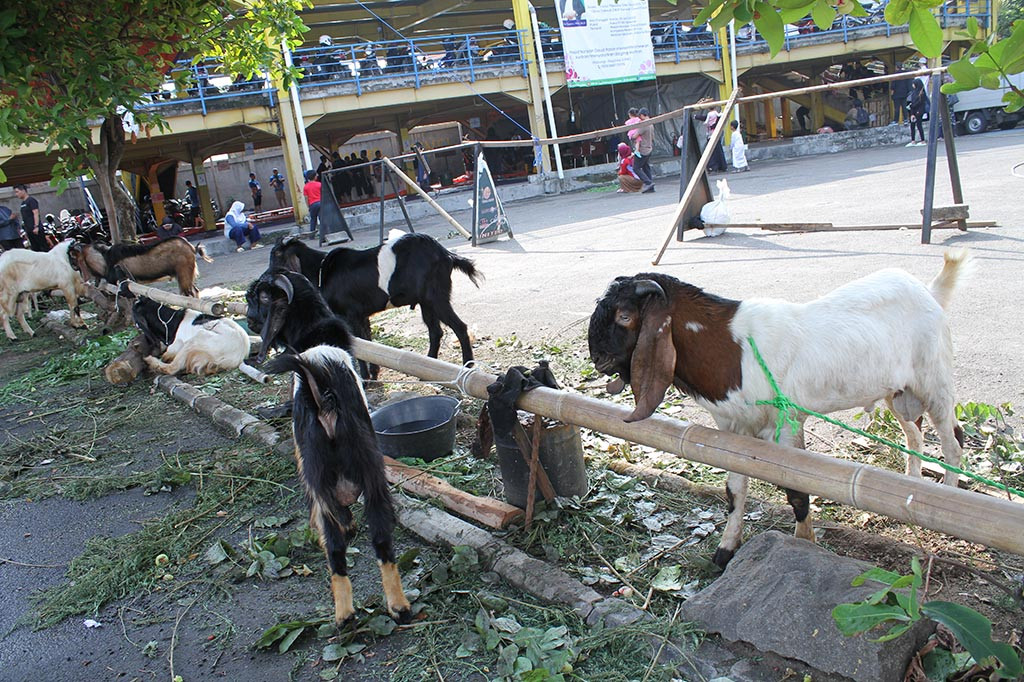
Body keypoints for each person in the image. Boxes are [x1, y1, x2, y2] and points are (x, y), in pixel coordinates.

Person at [629, 107, 655, 193]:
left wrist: (630, 133)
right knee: (646, 167)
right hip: (649, 148)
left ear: (642, 115)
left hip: (642, 150)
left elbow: (634, 136)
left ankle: (648, 183)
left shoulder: (644, 125)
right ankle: (650, 187)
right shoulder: (651, 124)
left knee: (636, 168)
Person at [13, 184, 46, 252]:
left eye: (17, 192)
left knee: (43, 248)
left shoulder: (31, 200)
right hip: (29, 229)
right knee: (35, 248)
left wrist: (36, 226)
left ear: (23, 191)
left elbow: (36, 213)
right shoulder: (23, 203)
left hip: (35, 229)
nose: (16, 194)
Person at [701, 102, 729, 173]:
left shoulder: (709, 114)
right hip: (716, 133)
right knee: (718, 150)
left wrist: (705, 123)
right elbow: (719, 115)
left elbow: (706, 121)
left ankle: (713, 166)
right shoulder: (716, 114)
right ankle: (721, 166)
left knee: (712, 152)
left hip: (711, 133)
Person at [303, 169, 323, 243]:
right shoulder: (319, 184)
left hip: (312, 204)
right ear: (315, 177)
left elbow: (306, 198)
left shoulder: (306, 187)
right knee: (322, 219)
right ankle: (323, 233)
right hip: (320, 203)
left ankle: (312, 235)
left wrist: (308, 206)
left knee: (313, 220)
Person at [907, 79, 929, 147]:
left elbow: (917, 103)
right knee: (913, 125)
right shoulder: (918, 92)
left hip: (917, 111)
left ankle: (922, 140)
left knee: (918, 125)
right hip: (916, 111)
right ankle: (913, 140)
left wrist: (911, 106)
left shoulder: (920, 93)